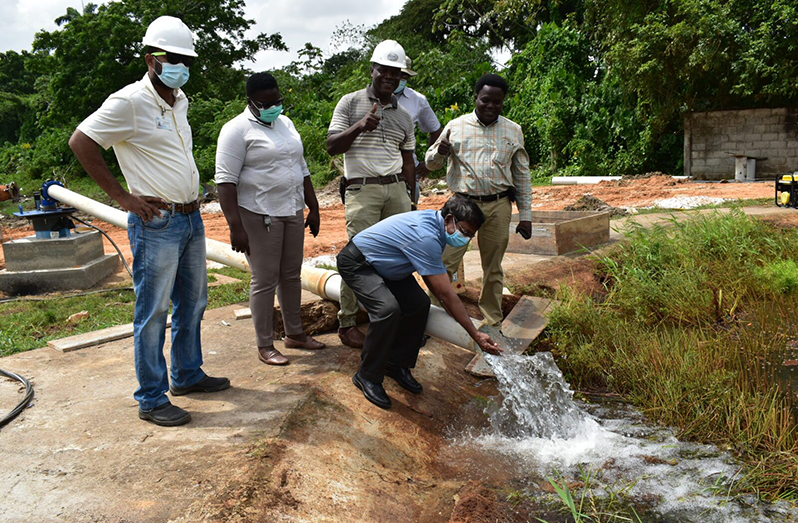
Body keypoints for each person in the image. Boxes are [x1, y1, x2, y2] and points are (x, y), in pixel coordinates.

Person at [68, 17, 229, 426]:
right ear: (151, 59)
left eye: (186, 59)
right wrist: (122, 197)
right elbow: (81, 141)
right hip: (156, 223)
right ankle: (151, 398)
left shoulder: (180, 99)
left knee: (193, 302)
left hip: (191, 217)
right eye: (172, 58)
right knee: (154, 311)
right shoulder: (129, 102)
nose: (180, 65)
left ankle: (187, 375)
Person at [337, 195, 502, 409]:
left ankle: (396, 363)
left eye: (471, 236)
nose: (466, 239)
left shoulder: (435, 225)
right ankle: (367, 375)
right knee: (387, 309)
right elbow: (445, 294)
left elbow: (435, 286)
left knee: (419, 304)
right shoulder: (426, 237)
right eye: (465, 232)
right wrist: (475, 333)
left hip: (387, 266)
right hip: (360, 263)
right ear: (449, 219)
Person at [215, 72, 325, 366]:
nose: (273, 106)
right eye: (266, 103)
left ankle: (295, 334)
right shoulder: (236, 130)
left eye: (277, 100)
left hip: (291, 209)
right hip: (258, 214)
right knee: (264, 279)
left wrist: (313, 207)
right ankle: (265, 345)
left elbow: (301, 168)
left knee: (291, 275)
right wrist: (235, 227)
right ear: (250, 102)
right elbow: (225, 182)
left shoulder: (285, 124)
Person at [327, 40, 417, 350]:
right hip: (362, 188)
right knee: (358, 255)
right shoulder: (349, 103)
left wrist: (412, 198)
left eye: (396, 73)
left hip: (396, 190)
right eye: (385, 71)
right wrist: (359, 126)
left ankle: (401, 316)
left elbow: (408, 162)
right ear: (373, 70)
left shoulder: (404, 116)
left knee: (402, 254)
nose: (390, 77)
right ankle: (348, 322)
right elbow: (331, 146)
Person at [425, 74, 533, 327]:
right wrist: (439, 151)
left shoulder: (513, 130)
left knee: (493, 266)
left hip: (498, 205)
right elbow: (431, 163)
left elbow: (522, 176)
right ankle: (431, 318)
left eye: (497, 102)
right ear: (476, 98)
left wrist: (525, 215)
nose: (491, 106)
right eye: (486, 100)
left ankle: (492, 319)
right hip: (462, 207)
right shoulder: (456, 126)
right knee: (444, 263)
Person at [394, 57, 443, 206]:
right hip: (376, 173)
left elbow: (436, 131)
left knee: (407, 221)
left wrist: (428, 164)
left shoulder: (417, 100)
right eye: (399, 74)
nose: (401, 79)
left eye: (405, 76)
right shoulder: (366, 99)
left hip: (406, 173)